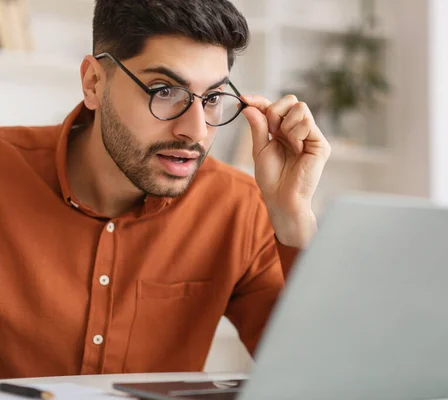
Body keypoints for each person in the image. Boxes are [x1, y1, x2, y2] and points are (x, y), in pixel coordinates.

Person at [0, 0, 330, 379]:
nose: (197, 130)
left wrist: (293, 216)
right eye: (164, 90)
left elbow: (322, 376)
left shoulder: (239, 209)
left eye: (211, 99)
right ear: (93, 83)